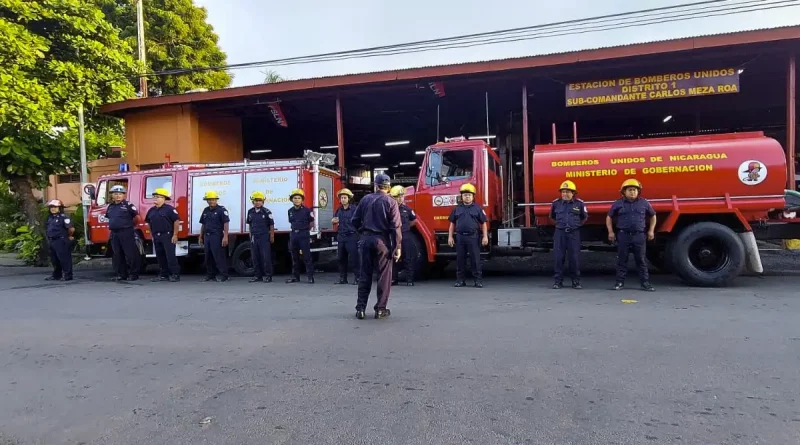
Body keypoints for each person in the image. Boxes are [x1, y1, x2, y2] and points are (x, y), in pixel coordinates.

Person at [352, 173, 402, 320]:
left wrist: (363, 232)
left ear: (375, 185)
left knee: (364, 275)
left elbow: (355, 220)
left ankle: (360, 309)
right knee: (384, 276)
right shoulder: (391, 202)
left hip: (365, 239)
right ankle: (380, 309)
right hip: (382, 242)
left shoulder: (365, 199)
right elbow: (396, 227)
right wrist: (397, 247)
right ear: (389, 187)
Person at [606, 178, 656, 292]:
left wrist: (651, 230)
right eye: (629, 190)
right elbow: (609, 217)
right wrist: (610, 231)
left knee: (641, 260)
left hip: (639, 236)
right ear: (624, 192)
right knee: (622, 260)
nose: (632, 192)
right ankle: (619, 282)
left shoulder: (644, 203)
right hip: (623, 236)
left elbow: (653, 216)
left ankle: (645, 283)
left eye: (634, 190)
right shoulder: (618, 203)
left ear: (638, 191)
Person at [448, 183, 489, 288]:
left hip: (473, 237)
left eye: (469, 195)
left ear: (473, 196)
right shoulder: (457, 209)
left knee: (475, 259)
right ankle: (460, 280)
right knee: (460, 259)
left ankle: (477, 281)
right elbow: (452, 223)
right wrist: (450, 236)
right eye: (465, 195)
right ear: (461, 196)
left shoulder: (478, 209)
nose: (467, 197)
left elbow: (483, 223)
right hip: (460, 237)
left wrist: (485, 236)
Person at [549, 180, 588, 289]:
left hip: (573, 234)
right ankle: (558, 282)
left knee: (574, 258)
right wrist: (559, 225)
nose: (565, 194)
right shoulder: (556, 203)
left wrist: (575, 226)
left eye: (568, 192)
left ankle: (575, 281)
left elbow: (584, 217)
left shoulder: (579, 204)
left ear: (573, 193)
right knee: (558, 258)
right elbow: (551, 217)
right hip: (560, 233)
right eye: (563, 192)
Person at [105, 184, 140, 281]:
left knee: (130, 254)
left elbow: (137, 218)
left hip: (126, 232)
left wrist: (129, 226)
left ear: (123, 195)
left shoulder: (128, 205)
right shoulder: (110, 207)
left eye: (120, 194)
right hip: (114, 233)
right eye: (115, 194)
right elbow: (110, 218)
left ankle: (134, 274)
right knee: (118, 254)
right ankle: (122, 274)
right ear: (112, 195)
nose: (118, 196)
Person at [145, 188, 181, 282]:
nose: (155, 198)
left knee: (170, 256)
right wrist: (152, 234)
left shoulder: (169, 209)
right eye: (154, 197)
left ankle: (175, 274)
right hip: (156, 236)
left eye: (158, 197)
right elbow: (149, 222)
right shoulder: (151, 210)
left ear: (164, 198)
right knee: (160, 256)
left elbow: (176, 221)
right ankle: (164, 275)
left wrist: (175, 235)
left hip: (167, 235)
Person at [199, 190, 230, 282]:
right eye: (209, 199)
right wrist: (201, 236)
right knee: (208, 256)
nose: (211, 201)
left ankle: (224, 275)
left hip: (217, 235)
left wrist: (225, 236)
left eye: (212, 199)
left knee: (219, 256)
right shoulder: (206, 210)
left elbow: (226, 223)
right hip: (207, 236)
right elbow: (203, 224)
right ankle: (210, 275)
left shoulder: (221, 210)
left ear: (216, 200)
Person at [390, 185, 417, 286]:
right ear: (393, 198)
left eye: (402, 196)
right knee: (393, 257)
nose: (400, 198)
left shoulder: (407, 209)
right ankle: (394, 279)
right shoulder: (389, 209)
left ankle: (409, 280)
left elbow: (414, 220)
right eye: (398, 197)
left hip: (405, 235)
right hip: (393, 235)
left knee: (408, 257)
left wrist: (404, 227)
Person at [286, 188, 315, 284]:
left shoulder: (307, 210)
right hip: (294, 234)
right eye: (295, 198)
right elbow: (291, 222)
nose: (297, 200)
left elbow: (311, 222)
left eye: (299, 198)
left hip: (304, 234)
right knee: (294, 257)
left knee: (307, 257)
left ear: (302, 200)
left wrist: (306, 231)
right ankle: (295, 277)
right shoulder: (290, 211)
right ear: (292, 199)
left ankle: (310, 277)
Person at [332, 188, 359, 285]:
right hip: (341, 236)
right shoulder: (338, 210)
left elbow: (359, 221)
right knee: (341, 258)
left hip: (352, 236)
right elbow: (335, 219)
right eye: (341, 198)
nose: (343, 199)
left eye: (345, 197)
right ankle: (343, 278)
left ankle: (357, 278)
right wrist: (334, 221)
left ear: (349, 199)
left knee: (354, 258)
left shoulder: (354, 209)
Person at [246, 191, 274, 283]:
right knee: (255, 257)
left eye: (259, 200)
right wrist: (250, 235)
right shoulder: (250, 212)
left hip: (264, 236)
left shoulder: (266, 211)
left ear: (263, 202)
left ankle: (268, 276)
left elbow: (271, 225)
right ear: (252, 201)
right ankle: (258, 275)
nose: (257, 202)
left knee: (266, 257)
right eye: (255, 200)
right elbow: (250, 224)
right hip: (254, 237)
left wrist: (272, 236)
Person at [45, 200, 75, 281]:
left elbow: (71, 229)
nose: (52, 209)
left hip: (61, 240)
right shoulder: (50, 218)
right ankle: (56, 275)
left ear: (60, 208)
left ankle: (67, 275)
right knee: (54, 259)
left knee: (64, 259)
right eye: (51, 207)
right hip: (52, 241)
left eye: (55, 207)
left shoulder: (64, 217)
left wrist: (69, 236)